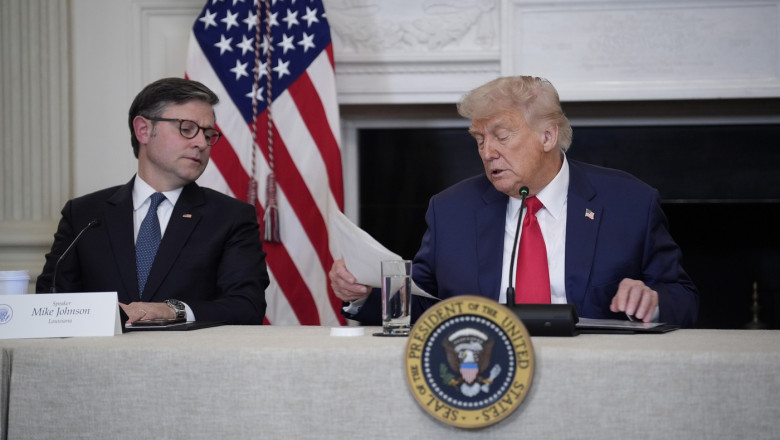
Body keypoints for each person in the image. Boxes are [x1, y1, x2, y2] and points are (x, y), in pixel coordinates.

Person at [330, 76, 699, 327]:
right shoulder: (452, 210)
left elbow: (683, 296)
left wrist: (652, 300)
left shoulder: (629, 202)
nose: (487, 151)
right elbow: (425, 303)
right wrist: (364, 294)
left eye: (501, 136)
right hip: (486, 371)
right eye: (479, 139)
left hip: (595, 372)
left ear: (547, 136)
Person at [37, 77, 269, 325]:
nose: (201, 143)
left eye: (208, 134)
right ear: (143, 130)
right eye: (187, 129)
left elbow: (247, 306)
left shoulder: (230, 217)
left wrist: (173, 310)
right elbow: (51, 303)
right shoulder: (84, 215)